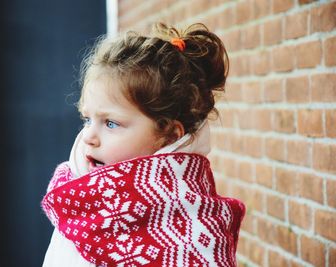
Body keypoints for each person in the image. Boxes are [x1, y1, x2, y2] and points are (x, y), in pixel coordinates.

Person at [41, 22, 245, 267]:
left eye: (111, 123)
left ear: (168, 135)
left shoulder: (194, 229)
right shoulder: (77, 199)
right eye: (87, 119)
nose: (88, 137)